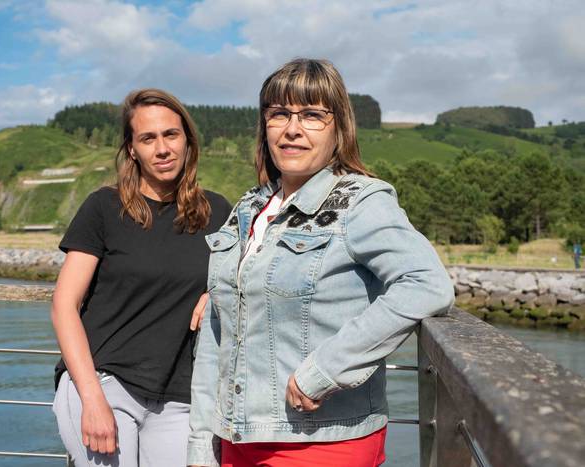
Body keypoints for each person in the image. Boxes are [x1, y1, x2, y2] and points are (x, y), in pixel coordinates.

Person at [187, 59, 455, 467]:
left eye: (312, 115)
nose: (292, 129)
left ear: (339, 128)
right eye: (279, 113)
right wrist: (202, 444)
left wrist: (326, 370)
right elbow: (216, 334)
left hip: (324, 442)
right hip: (238, 438)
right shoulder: (249, 207)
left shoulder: (359, 202)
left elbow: (426, 284)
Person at [51, 88, 231, 467]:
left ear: (187, 140)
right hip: (104, 383)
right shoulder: (104, 207)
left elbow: (249, 277)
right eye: (148, 138)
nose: (162, 149)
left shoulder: (217, 212)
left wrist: (217, 292)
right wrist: (92, 399)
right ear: (132, 149)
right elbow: (64, 305)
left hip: (179, 396)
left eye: (171, 135)